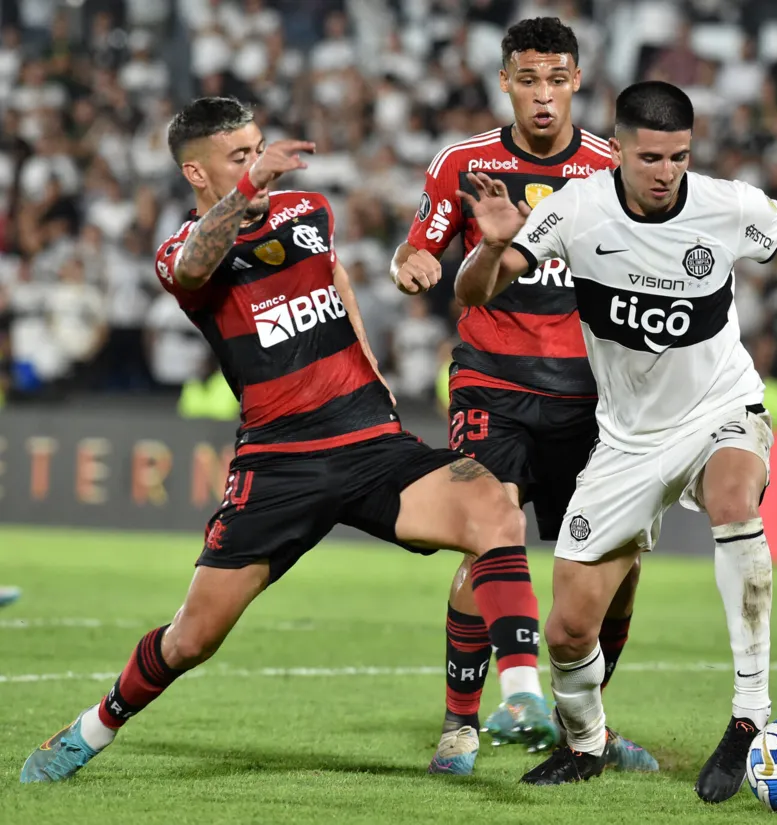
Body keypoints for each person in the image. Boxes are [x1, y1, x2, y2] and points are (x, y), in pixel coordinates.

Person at [20, 97, 556, 784]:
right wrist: (246, 190)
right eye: (238, 157)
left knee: (493, 508)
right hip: (278, 464)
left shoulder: (307, 212)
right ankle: (94, 726)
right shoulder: (180, 251)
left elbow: (331, 277)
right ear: (196, 170)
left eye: (258, 149)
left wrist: (371, 363)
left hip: (369, 442)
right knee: (192, 637)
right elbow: (190, 271)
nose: (258, 165)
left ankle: (509, 701)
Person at [451, 81, 777, 800]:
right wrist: (490, 245)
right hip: (628, 440)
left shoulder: (724, 205)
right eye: (649, 157)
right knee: (568, 631)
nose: (664, 171)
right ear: (615, 150)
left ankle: (749, 715)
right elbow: (475, 291)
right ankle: (585, 744)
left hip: (719, 409)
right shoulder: (577, 209)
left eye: (677, 156)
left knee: (735, 497)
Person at [391, 17, 654, 776]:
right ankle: (461, 724)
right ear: (504, 81)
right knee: (488, 531)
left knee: (617, 562)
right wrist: (411, 264)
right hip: (491, 381)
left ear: (578, 81)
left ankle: (587, 729)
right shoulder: (464, 161)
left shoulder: (613, 167)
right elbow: (420, 242)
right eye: (528, 80)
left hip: (592, 396)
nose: (543, 95)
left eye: (557, 78)